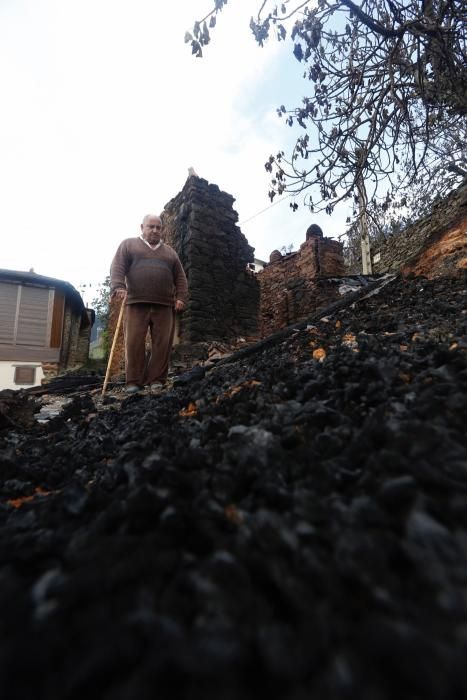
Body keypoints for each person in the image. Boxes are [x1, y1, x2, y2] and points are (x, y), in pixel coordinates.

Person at [110, 213, 188, 393]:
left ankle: (157, 380)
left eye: (158, 227)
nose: (154, 230)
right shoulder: (128, 245)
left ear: (162, 230)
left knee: (162, 343)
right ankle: (133, 381)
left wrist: (181, 298)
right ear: (142, 227)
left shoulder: (170, 253)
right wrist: (118, 286)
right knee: (134, 342)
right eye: (150, 226)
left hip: (164, 304)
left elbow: (181, 278)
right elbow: (117, 267)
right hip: (136, 302)